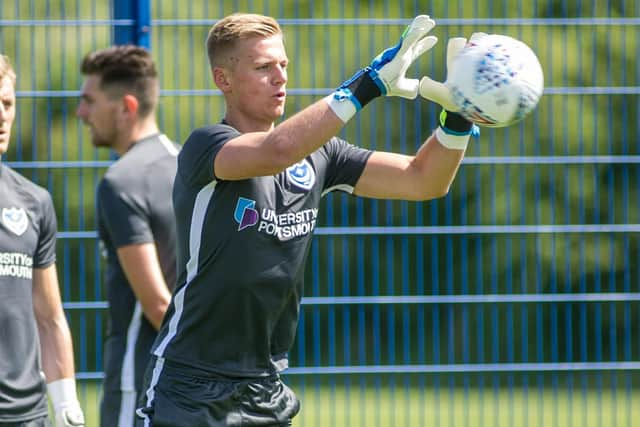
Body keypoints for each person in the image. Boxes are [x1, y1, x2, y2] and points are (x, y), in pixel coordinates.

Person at [137, 13, 477, 426]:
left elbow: (423, 180)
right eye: (263, 67)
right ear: (223, 79)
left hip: (266, 385)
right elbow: (277, 150)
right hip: (191, 383)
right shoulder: (206, 146)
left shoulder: (321, 154)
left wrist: (459, 117)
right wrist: (367, 84)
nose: (279, 77)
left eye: (283, 65)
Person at [76, 45, 180, 427]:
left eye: (89, 101)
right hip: (197, 386)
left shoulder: (121, 182)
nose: (81, 113)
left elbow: (155, 304)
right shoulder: (193, 166)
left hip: (139, 382)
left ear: (127, 107)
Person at [0, 54, 85, 426]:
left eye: (7, 103)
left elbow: (49, 318)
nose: (2, 115)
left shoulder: (33, 201)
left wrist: (66, 407)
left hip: (28, 415)